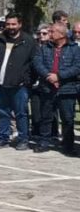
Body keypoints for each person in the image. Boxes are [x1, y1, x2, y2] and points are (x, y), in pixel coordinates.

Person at [0, 13, 35, 149]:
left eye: (13, 24)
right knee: (2, 112)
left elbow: (34, 64)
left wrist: (27, 81)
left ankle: (23, 139)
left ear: (20, 24)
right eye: (8, 24)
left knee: (21, 113)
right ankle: (3, 138)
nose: (10, 27)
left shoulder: (28, 41)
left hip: (19, 86)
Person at [32, 23, 80, 155]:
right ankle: (44, 142)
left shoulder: (74, 48)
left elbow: (77, 67)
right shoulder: (44, 47)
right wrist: (48, 76)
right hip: (48, 88)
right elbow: (37, 63)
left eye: (52, 31)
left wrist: (59, 76)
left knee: (68, 118)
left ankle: (68, 145)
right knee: (46, 116)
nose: (49, 34)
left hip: (67, 89)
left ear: (62, 34)